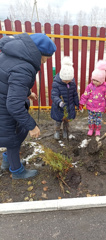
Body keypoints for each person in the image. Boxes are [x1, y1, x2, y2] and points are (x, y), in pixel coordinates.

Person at [0, 32, 56, 179]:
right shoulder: (24, 67)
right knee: (13, 140)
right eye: (45, 59)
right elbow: (13, 104)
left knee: (12, 137)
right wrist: (32, 126)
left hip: (3, 100)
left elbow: (8, 82)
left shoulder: (14, 55)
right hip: (3, 108)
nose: (44, 62)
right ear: (40, 53)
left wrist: (27, 92)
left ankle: (8, 162)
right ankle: (17, 171)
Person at [79, 60, 106, 136]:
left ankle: (97, 130)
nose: (95, 82)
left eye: (97, 81)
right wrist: (82, 103)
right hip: (91, 107)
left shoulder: (105, 87)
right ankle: (91, 129)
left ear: (102, 80)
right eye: (93, 80)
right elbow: (85, 95)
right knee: (91, 119)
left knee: (98, 120)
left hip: (100, 108)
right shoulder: (90, 86)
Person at [51, 56, 79, 140]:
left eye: (68, 80)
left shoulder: (72, 83)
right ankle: (56, 131)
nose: (67, 82)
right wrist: (59, 102)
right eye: (65, 80)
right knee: (58, 121)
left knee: (67, 121)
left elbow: (75, 94)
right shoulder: (56, 84)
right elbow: (54, 95)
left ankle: (65, 131)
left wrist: (77, 104)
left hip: (69, 107)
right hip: (59, 107)